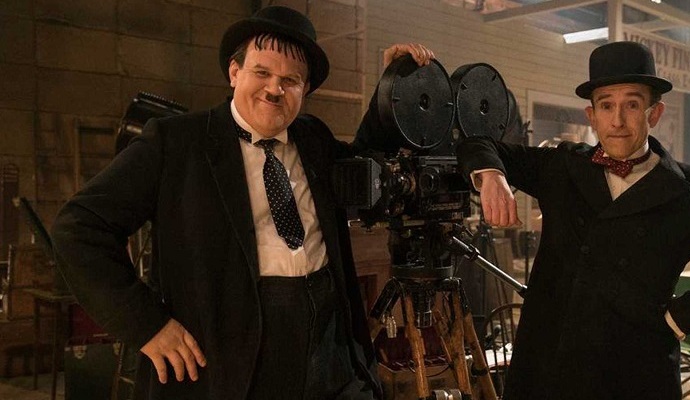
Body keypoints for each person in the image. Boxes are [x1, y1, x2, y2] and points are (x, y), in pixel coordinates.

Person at [50, 6, 434, 400]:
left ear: (305, 90)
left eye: (290, 80)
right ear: (235, 72)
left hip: (329, 358)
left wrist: (391, 90)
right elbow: (78, 228)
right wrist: (146, 325)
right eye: (262, 72)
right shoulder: (175, 143)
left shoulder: (314, 139)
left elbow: (365, 166)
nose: (274, 89)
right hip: (228, 368)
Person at [456, 41, 690, 399]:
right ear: (592, 115)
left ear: (654, 113)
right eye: (606, 105)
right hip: (549, 369)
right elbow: (477, 144)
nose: (617, 120)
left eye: (631, 104)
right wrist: (492, 175)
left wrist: (681, 318)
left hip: (637, 374)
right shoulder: (563, 166)